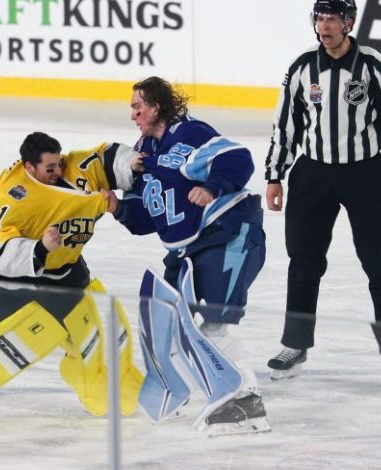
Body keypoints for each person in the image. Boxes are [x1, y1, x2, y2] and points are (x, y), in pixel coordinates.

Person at [0, 132, 143, 428]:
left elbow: (107, 157)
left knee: (88, 320)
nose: (58, 172)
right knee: (5, 337)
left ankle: (104, 386)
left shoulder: (75, 169)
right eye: (49, 168)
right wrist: (41, 249)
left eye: (59, 164)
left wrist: (134, 163)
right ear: (29, 167)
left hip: (64, 268)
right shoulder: (12, 197)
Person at [264, 0, 381, 382]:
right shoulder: (302, 67)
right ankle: (295, 344)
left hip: (366, 175)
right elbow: (285, 125)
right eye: (319, 18)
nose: (325, 26)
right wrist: (275, 175)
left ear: (349, 23)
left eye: (332, 19)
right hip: (312, 174)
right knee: (303, 262)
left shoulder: (374, 66)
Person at [105, 76, 268, 435]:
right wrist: (118, 207)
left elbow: (238, 158)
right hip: (189, 248)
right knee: (169, 320)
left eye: (137, 107)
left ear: (156, 107)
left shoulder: (189, 134)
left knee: (213, 323)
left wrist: (212, 187)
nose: (133, 115)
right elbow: (149, 216)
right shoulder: (145, 148)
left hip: (229, 231)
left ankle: (246, 400)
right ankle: (179, 390)